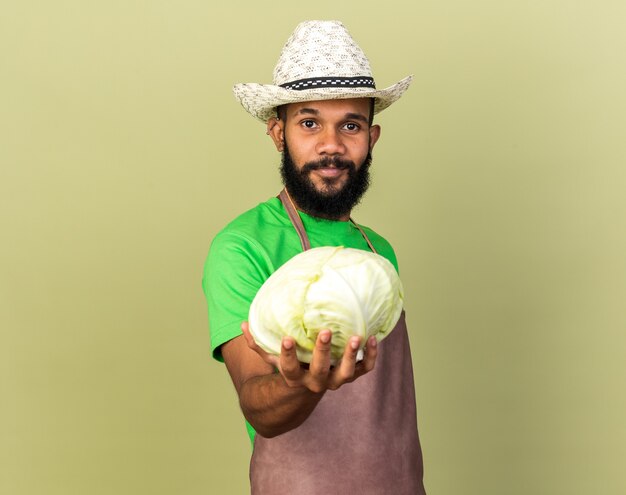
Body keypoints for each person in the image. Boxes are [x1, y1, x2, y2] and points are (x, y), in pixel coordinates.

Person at [203, 20, 426, 494]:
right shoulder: (242, 245)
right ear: (277, 133)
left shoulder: (378, 253)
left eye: (351, 124)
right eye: (309, 123)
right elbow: (258, 406)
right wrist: (306, 381)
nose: (331, 144)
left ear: (373, 137)